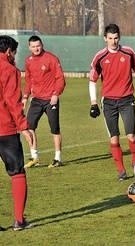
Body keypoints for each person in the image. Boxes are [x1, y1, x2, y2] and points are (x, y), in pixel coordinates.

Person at [88, 24, 135, 181]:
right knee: (114, 138)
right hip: (108, 102)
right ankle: (121, 170)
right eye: (110, 38)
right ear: (105, 38)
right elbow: (92, 80)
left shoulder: (128, 53)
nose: (113, 41)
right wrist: (93, 103)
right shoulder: (99, 57)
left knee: (132, 136)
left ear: (119, 37)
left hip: (127, 100)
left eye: (115, 38)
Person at [0, 35, 34, 230]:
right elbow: (12, 101)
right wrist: (23, 126)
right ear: (8, 52)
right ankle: (19, 221)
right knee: (17, 173)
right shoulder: (9, 69)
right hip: (5, 129)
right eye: (14, 53)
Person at [22, 35, 66, 168]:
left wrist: (55, 94)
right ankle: (34, 156)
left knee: (54, 129)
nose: (36, 48)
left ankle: (57, 158)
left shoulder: (51, 59)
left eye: (38, 46)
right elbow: (28, 81)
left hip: (50, 100)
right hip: (36, 99)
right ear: (29, 47)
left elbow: (60, 79)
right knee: (28, 127)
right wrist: (25, 96)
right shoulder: (28, 61)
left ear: (42, 45)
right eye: (33, 46)